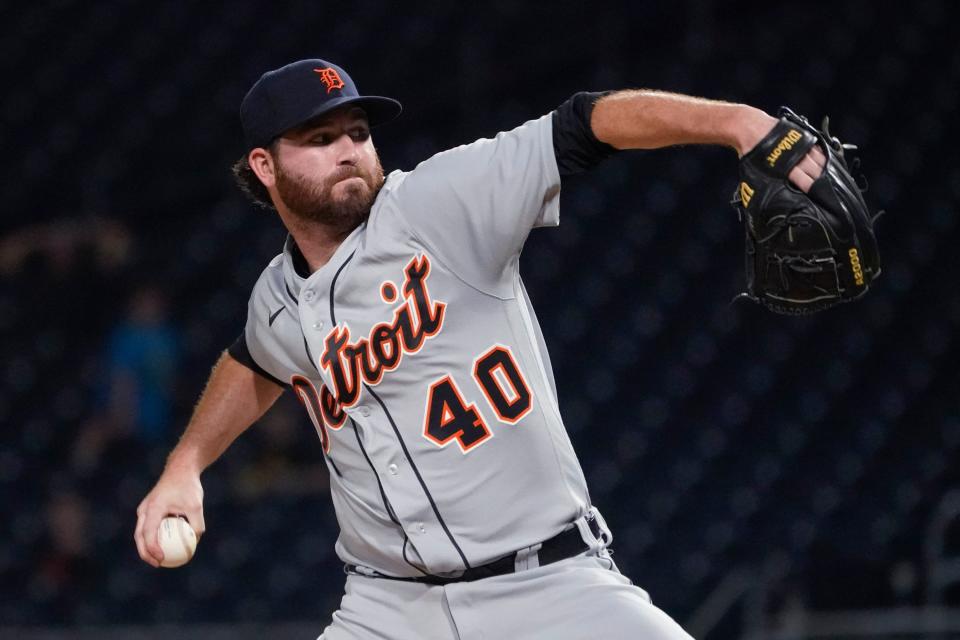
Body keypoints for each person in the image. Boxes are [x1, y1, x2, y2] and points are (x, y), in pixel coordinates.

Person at [134, 58, 825, 639]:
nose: (348, 149)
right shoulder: (278, 297)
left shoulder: (435, 204)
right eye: (319, 138)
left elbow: (584, 122)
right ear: (264, 165)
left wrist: (739, 123)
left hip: (550, 586)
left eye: (357, 131)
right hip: (388, 609)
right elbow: (254, 360)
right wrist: (185, 467)